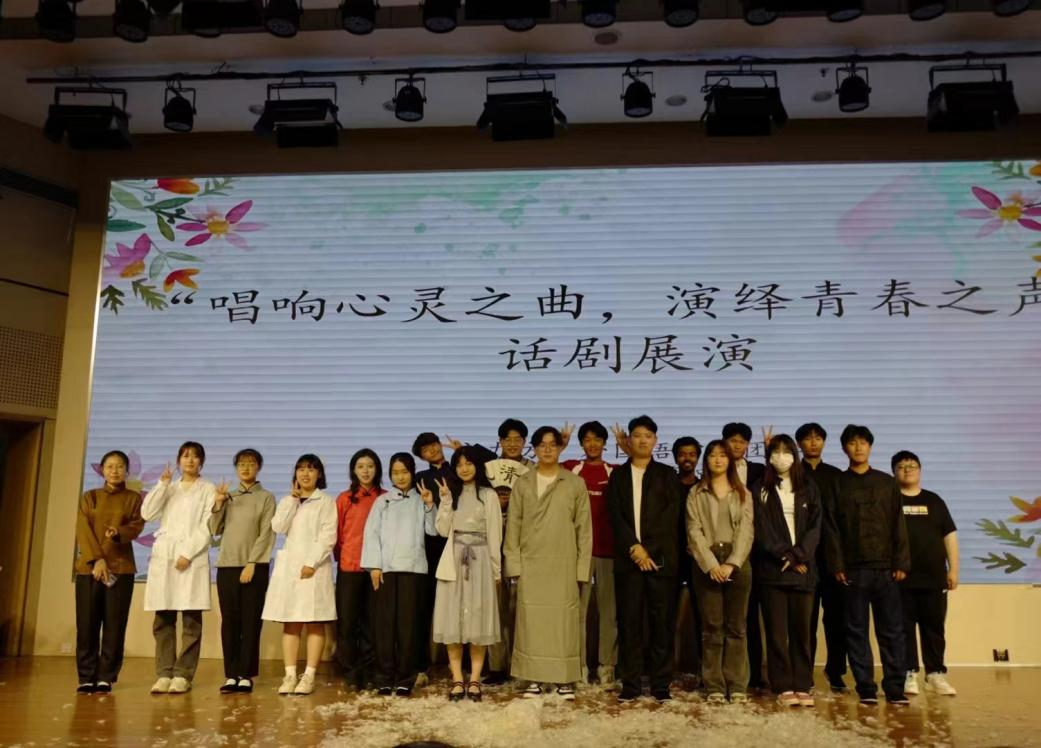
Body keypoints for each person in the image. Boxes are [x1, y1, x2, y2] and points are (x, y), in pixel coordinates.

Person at [823, 425, 910, 706]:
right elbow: (831, 528)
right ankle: (866, 688)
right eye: (852, 443)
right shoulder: (837, 483)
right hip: (853, 570)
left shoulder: (887, 482)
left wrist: (901, 562)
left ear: (870, 447)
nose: (858, 447)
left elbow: (898, 524)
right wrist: (837, 564)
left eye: (863, 442)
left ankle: (895, 688)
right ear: (844, 448)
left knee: (892, 630)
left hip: (886, 569)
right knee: (856, 630)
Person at [505, 426, 593, 700]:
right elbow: (513, 526)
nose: (547, 449)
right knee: (531, 622)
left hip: (564, 564)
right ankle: (532, 678)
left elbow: (584, 529)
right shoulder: (523, 483)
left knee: (563, 623)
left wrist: (582, 569)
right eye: (541, 445)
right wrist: (514, 565)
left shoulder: (574, 483)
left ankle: (564, 678)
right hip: (531, 563)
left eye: (552, 444)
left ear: (560, 448)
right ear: (534, 448)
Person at [607, 415, 683, 703]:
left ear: (655, 441)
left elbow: (670, 517)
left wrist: (647, 549)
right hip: (629, 562)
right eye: (637, 435)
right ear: (628, 440)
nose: (642, 440)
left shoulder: (667, 475)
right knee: (629, 624)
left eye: (648, 436)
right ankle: (631, 684)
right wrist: (634, 548)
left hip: (660, 561)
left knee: (661, 624)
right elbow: (616, 516)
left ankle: (661, 684)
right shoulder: (618, 475)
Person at [142, 441, 220, 695]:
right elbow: (147, 513)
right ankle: (164, 673)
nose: (190, 460)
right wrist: (162, 485)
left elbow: (207, 525)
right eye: (185, 456)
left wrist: (188, 553)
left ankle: (183, 674)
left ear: (202, 462)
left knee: (190, 622)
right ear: (178, 461)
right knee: (163, 620)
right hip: (165, 557)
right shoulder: (170, 487)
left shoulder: (208, 489)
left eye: (195, 457)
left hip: (191, 558)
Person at [751, 434, 821, 707]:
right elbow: (761, 527)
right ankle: (782, 685)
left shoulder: (808, 486)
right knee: (777, 633)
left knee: (802, 632)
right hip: (773, 569)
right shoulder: (761, 487)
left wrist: (798, 555)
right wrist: (784, 554)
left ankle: (802, 684)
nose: (781, 457)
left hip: (803, 568)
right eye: (776, 452)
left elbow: (816, 526)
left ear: (795, 454)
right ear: (769, 457)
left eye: (786, 451)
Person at [362, 453, 438, 696]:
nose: (400, 477)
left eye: (404, 472)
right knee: (384, 627)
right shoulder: (382, 501)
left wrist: (430, 505)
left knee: (409, 628)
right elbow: (371, 534)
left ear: (412, 472)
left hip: (414, 570)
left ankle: (406, 677)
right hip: (386, 570)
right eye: (395, 473)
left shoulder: (421, 498)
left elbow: (433, 530)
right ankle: (384, 677)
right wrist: (374, 566)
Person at [262, 454, 338, 696]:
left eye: (311, 469)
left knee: (315, 622)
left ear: (319, 474)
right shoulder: (288, 500)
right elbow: (278, 527)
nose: (305, 473)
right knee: (291, 622)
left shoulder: (326, 501)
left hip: (315, 569)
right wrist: (291, 501)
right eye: (301, 469)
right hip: (291, 569)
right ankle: (290, 675)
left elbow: (328, 536)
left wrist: (311, 563)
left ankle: (309, 676)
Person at [431, 446, 503, 702]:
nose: (464, 468)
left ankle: (474, 679)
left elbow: (495, 534)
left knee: (478, 620)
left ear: (477, 466)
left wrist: (496, 570)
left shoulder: (489, 495)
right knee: (453, 620)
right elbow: (442, 530)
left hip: (480, 559)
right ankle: (456, 679)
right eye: (459, 464)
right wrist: (444, 501)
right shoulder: (451, 493)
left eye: (468, 463)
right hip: (453, 559)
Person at [686, 440, 754, 704]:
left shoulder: (743, 492)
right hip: (707, 562)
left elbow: (747, 531)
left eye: (723, 455)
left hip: (737, 562)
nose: (717, 460)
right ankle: (714, 684)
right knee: (712, 627)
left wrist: (732, 563)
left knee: (736, 627)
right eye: (712, 455)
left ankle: (737, 685)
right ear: (706, 461)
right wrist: (712, 564)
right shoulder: (696, 493)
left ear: (730, 460)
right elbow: (694, 531)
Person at [74, 449, 144, 694]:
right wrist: (97, 560)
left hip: (121, 569)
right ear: (102, 470)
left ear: (127, 471)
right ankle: (86, 676)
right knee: (87, 624)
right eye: (110, 466)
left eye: (120, 466)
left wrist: (119, 533)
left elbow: (137, 525)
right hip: (89, 569)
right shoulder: (89, 497)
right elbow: (82, 529)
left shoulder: (133, 498)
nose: (115, 471)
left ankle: (106, 676)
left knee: (115, 625)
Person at [891, 450, 959, 697]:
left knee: (934, 628)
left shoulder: (934, 500)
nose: (907, 470)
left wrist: (954, 569)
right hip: (901, 578)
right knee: (904, 628)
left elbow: (949, 535)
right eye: (901, 466)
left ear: (919, 470)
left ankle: (935, 674)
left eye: (912, 465)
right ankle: (909, 673)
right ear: (894, 472)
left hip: (934, 578)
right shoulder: (890, 501)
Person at [209, 448, 276, 694]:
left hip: (253, 568)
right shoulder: (229, 496)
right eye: (241, 464)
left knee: (250, 621)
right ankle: (231, 674)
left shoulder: (266, 497)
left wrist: (252, 563)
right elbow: (214, 530)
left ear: (258, 467)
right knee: (230, 622)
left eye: (251, 463)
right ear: (236, 468)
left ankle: (246, 674)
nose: (246, 468)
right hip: (227, 565)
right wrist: (218, 503)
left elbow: (266, 533)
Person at [562, 421, 619, 688]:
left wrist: (629, 450)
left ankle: (607, 666)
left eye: (597, 439)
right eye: (587, 439)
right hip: (578, 553)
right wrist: (560, 447)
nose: (592, 444)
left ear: (605, 443)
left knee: (609, 613)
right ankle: (579, 666)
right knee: (578, 613)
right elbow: (543, 472)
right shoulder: (572, 467)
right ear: (581, 443)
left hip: (609, 552)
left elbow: (638, 474)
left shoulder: (614, 471)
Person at [796, 422, 849, 692]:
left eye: (818, 438)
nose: (813, 442)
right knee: (805, 620)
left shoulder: (836, 475)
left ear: (824, 442)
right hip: (804, 558)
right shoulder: (793, 475)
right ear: (799, 444)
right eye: (808, 438)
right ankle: (804, 672)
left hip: (832, 558)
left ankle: (836, 670)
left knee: (836, 618)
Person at [484, 418, 532, 684]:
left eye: (518, 440)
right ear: (500, 442)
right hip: (491, 544)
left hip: (524, 544)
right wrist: (497, 504)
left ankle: (522, 664)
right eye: (507, 439)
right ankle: (496, 666)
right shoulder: (488, 470)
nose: (513, 444)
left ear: (525, 442)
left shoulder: (533, 469)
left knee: (521, 607)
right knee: (495, 605)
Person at [334, 448, 385, 690]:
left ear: (378, 469)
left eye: (370, 466)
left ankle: (371, 670)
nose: (366, 471)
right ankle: (350, 671)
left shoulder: (385, 498)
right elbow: (337, 534)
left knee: (372, 623)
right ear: (353, 470)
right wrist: (342, 558)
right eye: (361, 466)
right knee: (347, 623)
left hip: (376, 569)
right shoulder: (344, 498)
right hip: (349, 567)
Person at [722, 422, 767, 692]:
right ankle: (721, 675)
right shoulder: (715, 471)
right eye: (732, 440)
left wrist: (772, 452)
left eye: (741, 441)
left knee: (749, 616)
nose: (736, 445)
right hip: (720, 554)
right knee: (721, 618)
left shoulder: (760, 471)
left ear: (748, 445)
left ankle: (753, 676)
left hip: (754, 553)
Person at [412, 432, 454, 686]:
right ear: (421, 456)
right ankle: (421, 665)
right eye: (426, 450)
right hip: (428, 550)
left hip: (456, 546)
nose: (433, 450)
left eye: (434, 445)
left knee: (457, 606)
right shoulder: (419, 478)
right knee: (424, 607)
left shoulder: (459, 469)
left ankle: (461, 664)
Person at [672, 436, 703, 687]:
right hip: (671, 561)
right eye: (682, 454)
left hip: (699, 561)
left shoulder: (704, 488)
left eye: (692, 454)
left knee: (704, 620)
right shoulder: (667, 486)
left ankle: (704, 671)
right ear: (675, 457)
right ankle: (668, 671)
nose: (687, 458)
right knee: (669, 621)